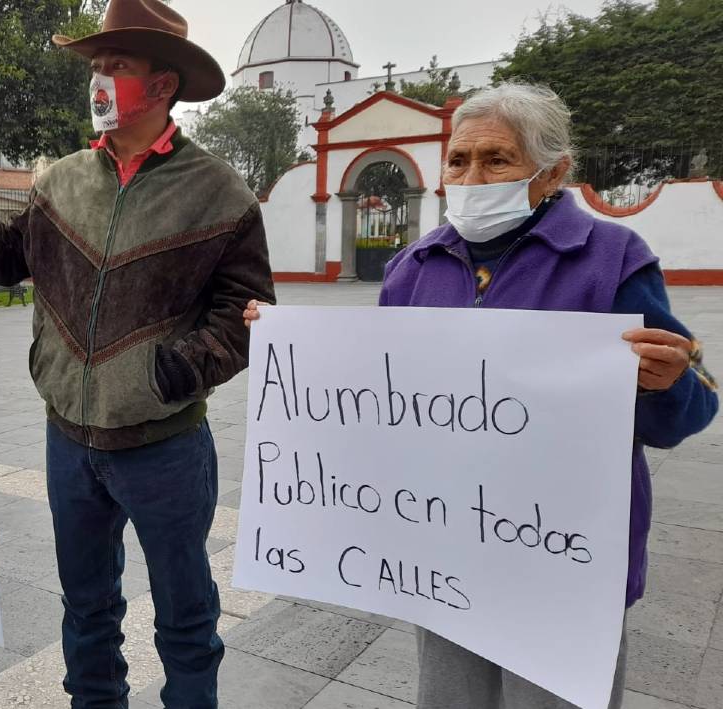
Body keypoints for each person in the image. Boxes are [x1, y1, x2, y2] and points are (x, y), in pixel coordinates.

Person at [246, 82, 718, 709]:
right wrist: (296, 349)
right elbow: (384, 397)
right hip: (445, 542)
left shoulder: (611, 257)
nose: (472, 176)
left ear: (553, 172)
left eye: (497, 159)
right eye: (459, 160)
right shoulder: (412, 267)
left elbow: (691, 404)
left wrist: (669, 383)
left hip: (562, 554)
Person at [0, 1, 275, 705]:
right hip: (69, 440)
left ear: (162, 85)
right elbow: (0, 261)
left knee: (186, 616)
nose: (98, 79)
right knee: (87, 610)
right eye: (95, 66)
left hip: (165, 447)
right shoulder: (60, 180)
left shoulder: (219, 191)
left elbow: (243, 315)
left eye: (115, 65)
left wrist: (170, 373)